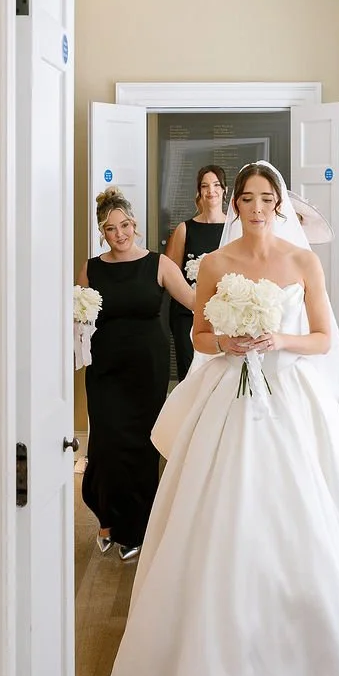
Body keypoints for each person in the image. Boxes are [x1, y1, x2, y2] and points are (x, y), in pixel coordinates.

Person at [107, 162, 339, 676]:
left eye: (265, 198)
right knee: (218, 508)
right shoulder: (214, 264)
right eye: (247, 198)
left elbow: (324, 339)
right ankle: (204, 646)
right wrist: (225, 342)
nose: (256, 207)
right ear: (234, 205)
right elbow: (198, 336)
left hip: (289, 393)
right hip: (230, 392)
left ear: (279, 203)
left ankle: (317, 636)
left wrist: (277, 337)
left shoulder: (303, 260)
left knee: (307, 505)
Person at [78, 187, 195, 560]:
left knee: (142, 446)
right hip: (105, 369)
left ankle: (138, 529)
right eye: (111, 229)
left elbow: (194, 302)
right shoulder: (91, 268)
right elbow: (78, 318)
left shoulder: (159, 264)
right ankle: (107, 521)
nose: (120, 234)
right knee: (107, 443)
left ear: (136, 226)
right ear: (103, 234)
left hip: (147, 368)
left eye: (125, 225)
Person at [164, 163, 228, 380]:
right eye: (205, 186)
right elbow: (170, 275)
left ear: (225, 190)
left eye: (216, 185)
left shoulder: (234, 229)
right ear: (199, 191)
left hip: (223, 315)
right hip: (185, 315)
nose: (211, 191)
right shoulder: (185, 229)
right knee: (190, 374)